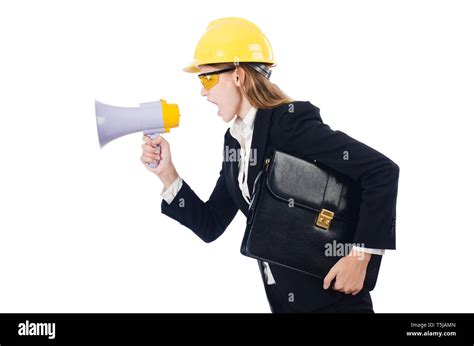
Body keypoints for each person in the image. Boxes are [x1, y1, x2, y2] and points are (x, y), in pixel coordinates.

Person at [140, 17, 399, 313]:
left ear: (238, 75)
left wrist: (360, 256)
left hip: (334, 305)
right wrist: (167, 174)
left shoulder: (288, 122)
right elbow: (210, 223)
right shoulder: (234, 142)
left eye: (207, 78)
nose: (203, 91)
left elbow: (380, 171)